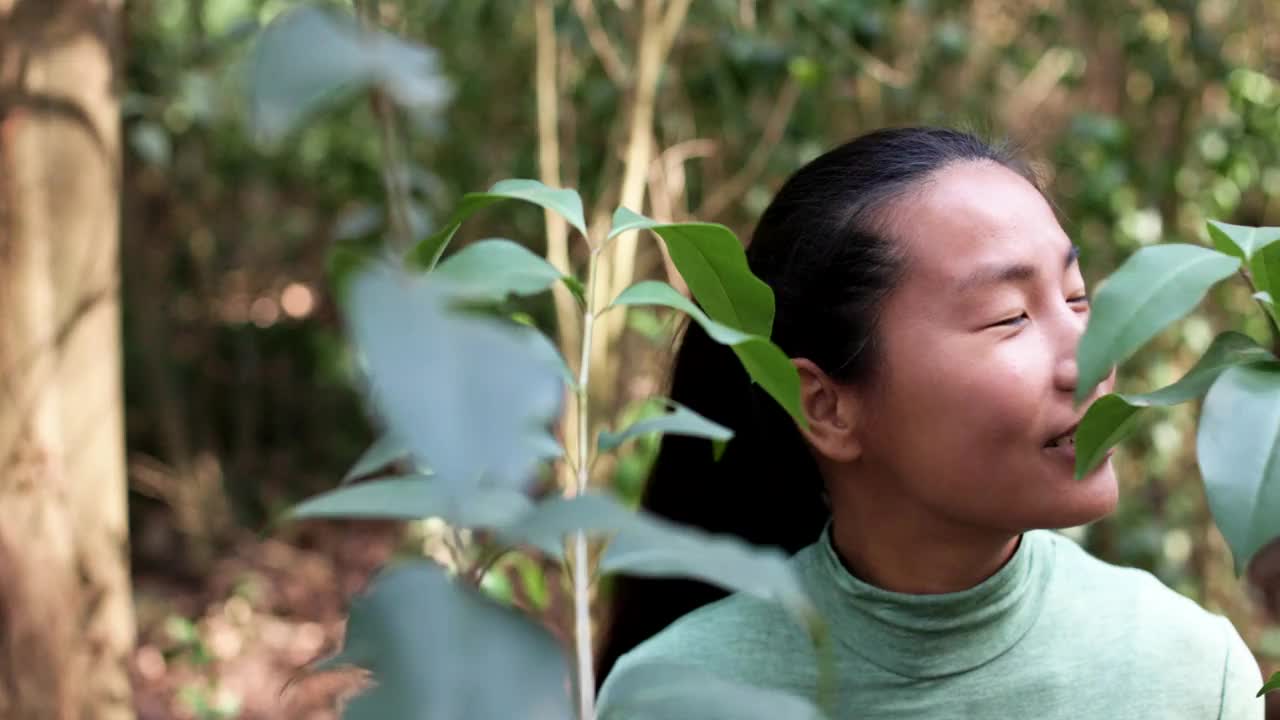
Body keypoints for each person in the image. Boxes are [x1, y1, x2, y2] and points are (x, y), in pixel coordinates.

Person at [596, 127, 1264, 718]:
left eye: (1078, 298)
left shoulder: (1190, 675)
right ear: (825, 406)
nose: (1093, 360)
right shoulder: (671, 694)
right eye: (1011, 317)